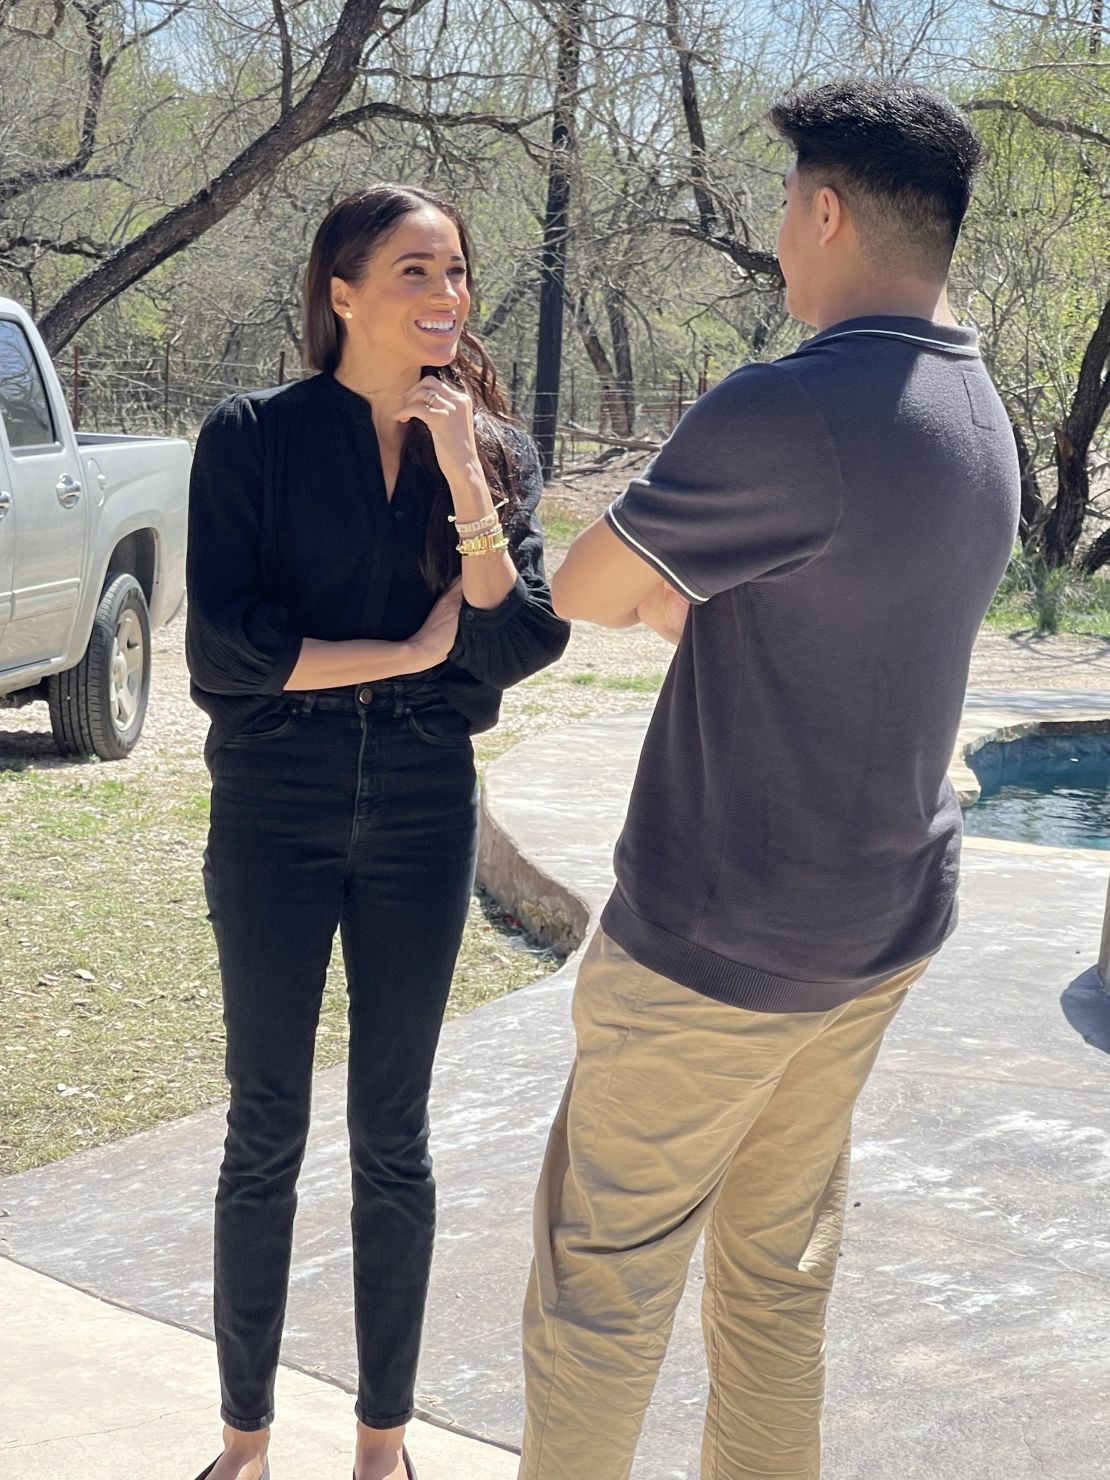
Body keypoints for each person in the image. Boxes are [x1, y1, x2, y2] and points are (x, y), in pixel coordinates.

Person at [519, 78, 1020, 1480]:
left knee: (598, 1290)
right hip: (877, 935)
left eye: (782, 213)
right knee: (776, 1282)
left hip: (714, 952)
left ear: (823, 209)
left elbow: (585, 585)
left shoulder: (786, 409)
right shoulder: (978, 411)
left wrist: (675, 588)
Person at [185, 184, 569, 1480]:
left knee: (393, 1139)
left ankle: (381, 1448)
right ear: (340, 292)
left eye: (456, 273)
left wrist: (465, 478)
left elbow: (515, 644)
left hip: (420, 813)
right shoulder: (251, 436)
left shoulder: (494, 454)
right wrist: (399, 651)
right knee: (266, 1129)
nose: (445, 298)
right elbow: (222, 652)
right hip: (274, 810)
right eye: (415, 272)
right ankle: (244, 1445)